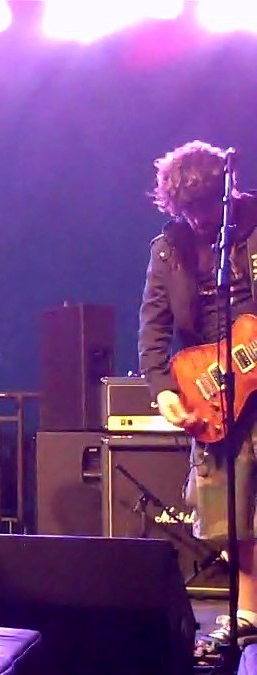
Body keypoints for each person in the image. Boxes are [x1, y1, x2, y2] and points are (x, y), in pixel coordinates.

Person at [140, 140, 257, 648]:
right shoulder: (169, 248)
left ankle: (250, 611)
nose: (199, 220)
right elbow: (153, 328)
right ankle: (249, 614)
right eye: (187, 211)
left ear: (225, 193)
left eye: (206, 207)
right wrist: (165, 391)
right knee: (226, 515)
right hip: (213, 391)